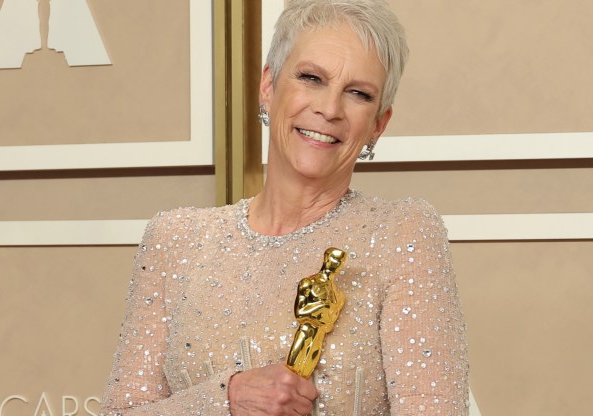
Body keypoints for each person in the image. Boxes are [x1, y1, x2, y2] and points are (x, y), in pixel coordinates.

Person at [99, 0, 469, 415]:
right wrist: (225, 399)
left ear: (378, 124)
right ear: (268, 86)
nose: (329, 109)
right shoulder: (176, 240)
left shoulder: (401, 234)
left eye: (358, 93)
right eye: (311, 78)